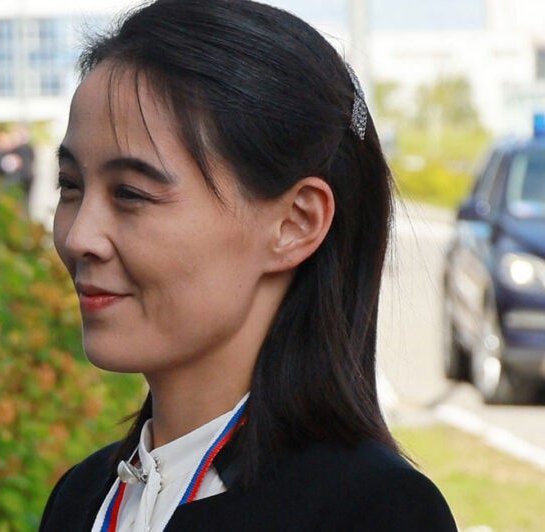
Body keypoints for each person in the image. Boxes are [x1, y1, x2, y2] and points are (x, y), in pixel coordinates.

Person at [39, 1, 456, 530]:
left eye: (130, 193)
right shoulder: (82, 497)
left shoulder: (371, 510)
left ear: (296, 223)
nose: (79, 237)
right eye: (70, 186)